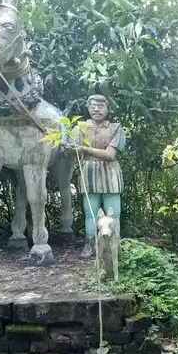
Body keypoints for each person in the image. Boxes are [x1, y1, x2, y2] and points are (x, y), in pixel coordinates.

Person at [69, 94, 126, 258]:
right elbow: (71, 151)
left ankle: (114, 245)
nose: (96, 109)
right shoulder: (79, 128)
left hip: (111, 173)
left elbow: (110, 155)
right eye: (93, 106)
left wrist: (85, 150)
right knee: (90, 213)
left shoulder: (116, 128)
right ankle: (90, 244)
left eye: (100, 106)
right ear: (88, 109)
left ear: (107, 109)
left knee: (113, 213)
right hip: (88, 173)